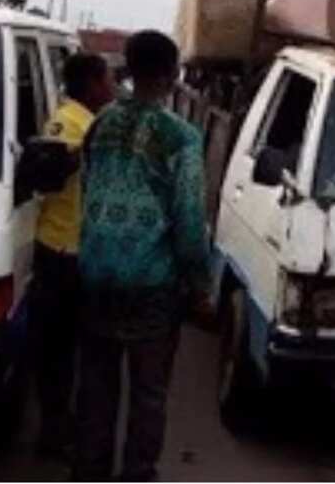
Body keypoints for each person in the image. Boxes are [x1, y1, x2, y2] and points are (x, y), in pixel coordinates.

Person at [73, 31, 210, 482]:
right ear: (172, 76)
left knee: (96, 388)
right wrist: (200, 285)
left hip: (95, 275)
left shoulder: (100, 124)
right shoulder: (182, 137)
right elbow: (190, 221)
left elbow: (87, 188)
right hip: (151, 284)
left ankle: (89, 471)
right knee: (148, 394)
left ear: (128, 71)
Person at [27, 53, 114, 459]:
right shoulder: (68, 121)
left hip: (84, 253)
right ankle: (53, 431)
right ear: (92, 84)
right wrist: (87, 148)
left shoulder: (91, 121)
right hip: (61, 252)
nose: (112, 88)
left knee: (82, 350)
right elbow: (50, 171)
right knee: (57, 351)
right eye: (107, 80)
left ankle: (74, 429)